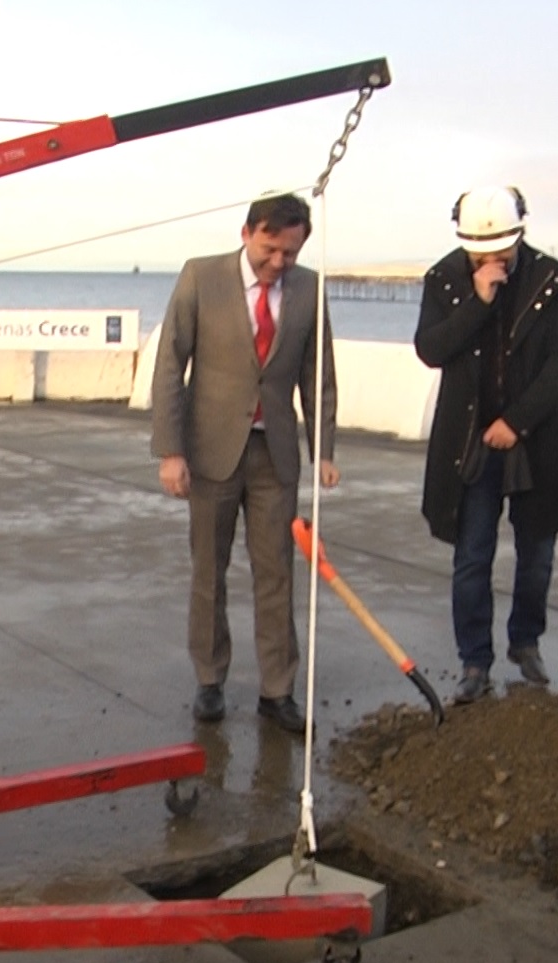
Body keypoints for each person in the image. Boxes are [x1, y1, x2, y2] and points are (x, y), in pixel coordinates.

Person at [150, 193, 339, 736]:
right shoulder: (200, 278)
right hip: (210, 451)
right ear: (247, 232)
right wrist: (171, 451)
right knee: (209, 569)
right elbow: (170, 365)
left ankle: (277, 690)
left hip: (274, 454)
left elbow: (317, 374)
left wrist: (323, 449)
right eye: (270, 249)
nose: (279, 263)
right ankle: (210, 679)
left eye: (291, 254)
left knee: (277, 572)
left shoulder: (309, 289)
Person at [414, 186, 558, 703]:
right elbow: (432, 348)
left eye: (502, 249)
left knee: (537, 552)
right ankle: (474, 660)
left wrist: (517, 419)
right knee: (472, 556)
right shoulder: (444, 279)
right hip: (469, 443)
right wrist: (478, 300)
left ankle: (525, 641)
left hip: (531, 438)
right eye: (480, 250)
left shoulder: (549, 278)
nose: (492, 258)